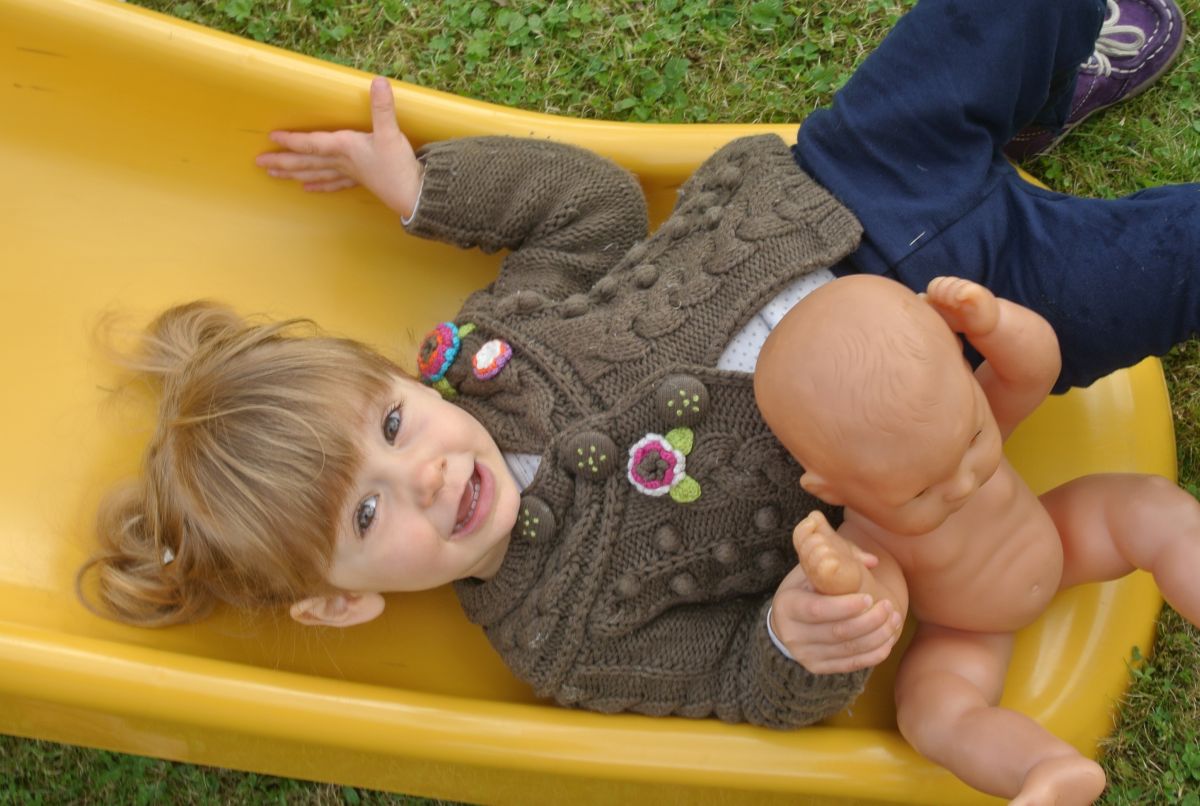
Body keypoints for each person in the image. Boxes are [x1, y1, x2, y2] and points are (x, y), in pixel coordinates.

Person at [80, 0, 1196, 731]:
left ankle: (1055, 76)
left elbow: (596, 206)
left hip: (857, 170)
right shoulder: (562, 636)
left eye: (390, 426)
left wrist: (426, 189)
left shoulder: (494, 347)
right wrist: (799, 637)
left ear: (400, 381)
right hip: (963, 350)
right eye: (367, 514)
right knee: (1173, 262)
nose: (423, 473)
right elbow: (735, 683)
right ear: (338, 602)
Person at [754, 273, 1200, 803]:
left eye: (974, 441)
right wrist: (843, 579)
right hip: (966, 632)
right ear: (834, 487)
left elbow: (1035, 369)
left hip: (1061, 538)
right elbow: (883, 607)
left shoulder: (965, 410)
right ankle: (1045, 769)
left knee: (1150, 508)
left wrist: (994, 324)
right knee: (930, 711)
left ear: (962, 366)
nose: (962, 484)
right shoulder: (871, 534)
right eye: (920, 491)